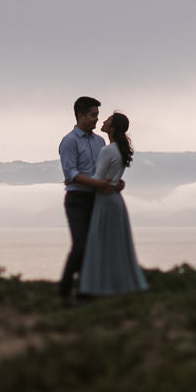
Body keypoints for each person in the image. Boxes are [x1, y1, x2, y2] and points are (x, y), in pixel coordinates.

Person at [58, 96, 122, 301]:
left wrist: (115, 183)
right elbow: (70, 174)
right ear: (80, 115)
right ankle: (64, 290)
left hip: (97, 199)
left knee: (93, 247)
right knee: (80, 246)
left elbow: (102, 172)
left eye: (97, 115)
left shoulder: (100, 141)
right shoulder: (69, 141)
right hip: (77, 199)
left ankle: (85, 292)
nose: (96, 119)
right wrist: (99, 184)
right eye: (93, 115)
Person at [79, 112, 148, 296]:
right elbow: (113, 178)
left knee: (102, 244)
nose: (103, 121)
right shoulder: (119, 149)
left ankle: (102, 286)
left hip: (105, 199)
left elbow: (98, 178)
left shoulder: (108, 150)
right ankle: (118, 285)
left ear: (113, 128)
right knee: (117, 246)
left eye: (108, 120)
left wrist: (76, 179)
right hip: (116, 200)